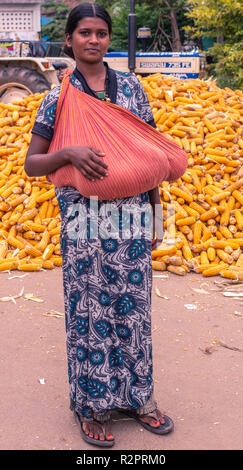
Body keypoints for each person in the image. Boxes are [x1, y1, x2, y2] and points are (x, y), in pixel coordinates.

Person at [25, 2, 180, 448]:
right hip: (83, 220)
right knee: (91, 312)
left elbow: (151, 157)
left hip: (131, 217)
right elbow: (32, 164)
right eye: (85, 33)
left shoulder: (131, 88)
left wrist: (154, 214)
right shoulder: (58, 97)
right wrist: (68, 154)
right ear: (70, 39)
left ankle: (137, 398)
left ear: (108, 39)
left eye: (101, 33)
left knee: (134, 309)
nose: (94, 40)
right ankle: (93, 405)